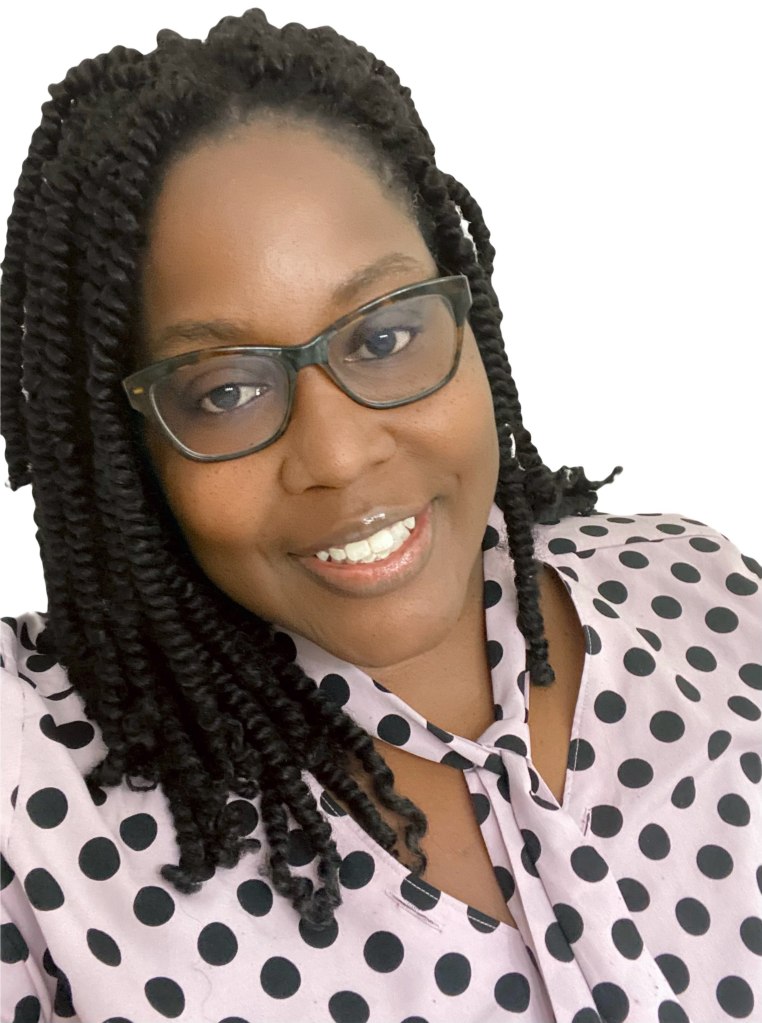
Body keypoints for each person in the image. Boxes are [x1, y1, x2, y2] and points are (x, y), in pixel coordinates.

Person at [0, 9, 759, 1023]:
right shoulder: (31, 785)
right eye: (227, 390)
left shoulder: (703, 591)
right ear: (125, 444)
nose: (340, 454)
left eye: (385, 335)